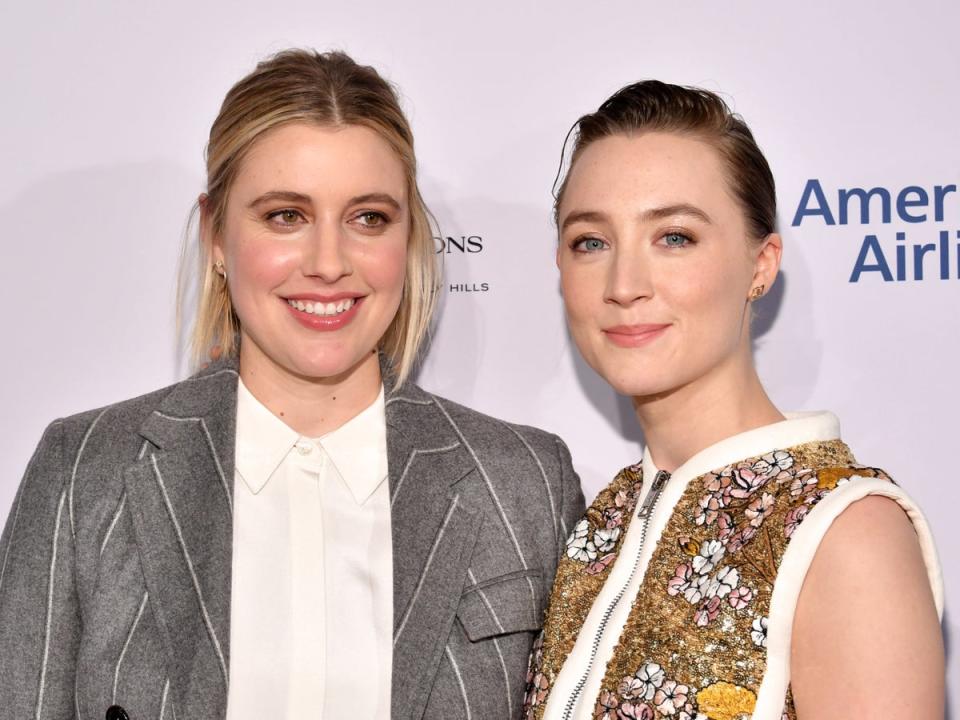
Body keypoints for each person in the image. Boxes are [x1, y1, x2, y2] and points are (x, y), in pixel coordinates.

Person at [0, 49, 585, 720]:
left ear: (409, 236)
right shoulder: (87, 470)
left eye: (369, 218)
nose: (329, 263)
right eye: (286, 216)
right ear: (217, 234)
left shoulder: (522, 485)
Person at [524, 81, 944, 720]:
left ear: (761, 265)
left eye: (674, 237)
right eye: (591, 241)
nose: (624, 285)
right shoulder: (604, 518)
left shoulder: (846, 531)